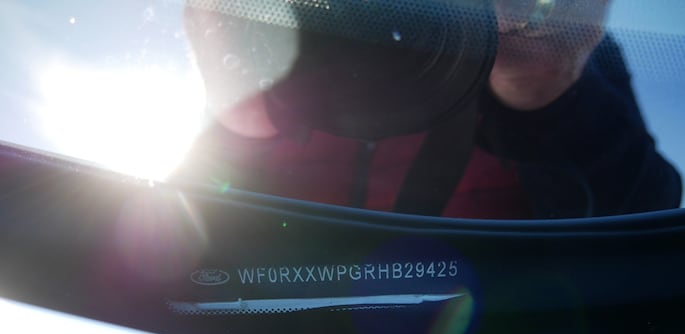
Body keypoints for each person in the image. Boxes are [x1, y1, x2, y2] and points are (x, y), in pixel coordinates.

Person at [176, 0, 682, 219]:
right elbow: (171, 246)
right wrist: (242, 111)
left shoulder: (554, 45)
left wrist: (544, 92)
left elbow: (643, 230)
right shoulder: (279, 32)